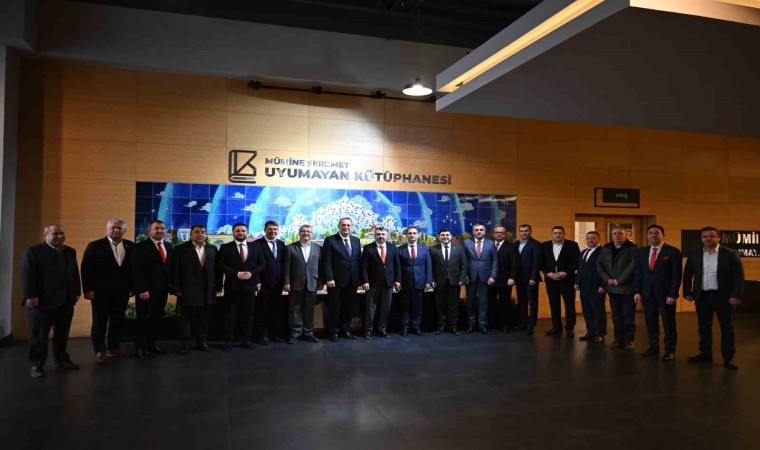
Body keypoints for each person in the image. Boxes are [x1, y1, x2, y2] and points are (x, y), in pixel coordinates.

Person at [20, 224, 82, 378]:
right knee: (38, 336)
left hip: (65, 301)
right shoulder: (33, 251)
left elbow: (74, 273)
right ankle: (37, 365)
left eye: (61, 233)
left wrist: (76, 292)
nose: (59, 236)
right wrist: (30, 295)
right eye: (55, 234)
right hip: (41, 302)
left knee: (62, 334)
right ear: (45, 235)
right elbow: (27, 275)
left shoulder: (70, 251)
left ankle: (62, 360)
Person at [683, 226, 745, 370]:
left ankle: (728, 358)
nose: (708, 239)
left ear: (718, 238)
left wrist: (736, 295)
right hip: (702, 296)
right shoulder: (695, 253)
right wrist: (687, 292)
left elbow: (739, 277)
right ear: (701, 239)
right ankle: (705, 354)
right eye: (705, 236)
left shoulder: (730, 254)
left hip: (724, 297)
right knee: (703, 327)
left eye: (711, 236)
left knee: (727, 328)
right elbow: (688, 274)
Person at [81, 218, 134, 363]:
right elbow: (86, 269)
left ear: (124, 230)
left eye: (120, 228)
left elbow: (133, 269)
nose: (116, 230)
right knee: (100, 321)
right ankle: (99, 350)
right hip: (100, 292)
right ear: (107, 229)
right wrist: (87, 289)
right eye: (113, 227)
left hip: (122, 291)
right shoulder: (95, 246)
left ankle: (114, 347)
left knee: (118, 320)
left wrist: (133, 288)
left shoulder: (131, 246)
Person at [634, 225, 682, 361]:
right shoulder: (641, 252)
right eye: (650, 233)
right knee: (650, 321)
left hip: (666, 294)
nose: (653, 235)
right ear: (647, 236)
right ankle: (653, 347)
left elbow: (676, 275)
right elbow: (638, 273)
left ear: (663, 235)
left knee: (668, 322)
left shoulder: (673, 252)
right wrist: (637, 291)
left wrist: (673, 294)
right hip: (647, 293)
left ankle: (670, 350)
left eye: (656, 233)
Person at [217, 223, 266, 351]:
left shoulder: (255, 247)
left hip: (250, 287)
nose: (240, 233)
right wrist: (236, 273)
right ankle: (228, 340)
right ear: (233, 232)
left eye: (243, 231)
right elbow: (220, 265)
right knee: (230, 315)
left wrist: (252, 274)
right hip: (232, 286)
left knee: (248, 314)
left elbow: (262, 264)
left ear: (247, 232)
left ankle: (246, 340)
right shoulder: (225, 247)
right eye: (238, 231)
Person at [131, 220, 173, 359]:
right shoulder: (140, 247)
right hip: (146, 292)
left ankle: (151, 345)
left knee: (155, 319)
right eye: (156, 228)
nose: (160, 231)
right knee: (143, 319)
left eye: (162, 228)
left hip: (162, 291)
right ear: (149, 231)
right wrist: (141, 289)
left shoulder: (168, 246)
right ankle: (140, 348)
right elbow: (136, 270)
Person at [173, 225, 219, 353]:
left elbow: (217, 270)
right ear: (191, 234)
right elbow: (175, 271)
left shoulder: (213, 249)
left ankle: (202, 342)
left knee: (203, 319)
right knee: (185, 319)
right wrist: (177, 288)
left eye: (203, 232)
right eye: (197, 232)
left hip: (207, 291)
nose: (200, 234)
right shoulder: (180, 249)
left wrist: (218, 286)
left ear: (206, 234)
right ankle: (185, 344)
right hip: (187, 291)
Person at [597, 225, 638, 351]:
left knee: (628, 315)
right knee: (616, 315)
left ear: (626, 235)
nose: (617, 236)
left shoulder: (633, 248)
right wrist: (607, 279)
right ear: (612, 235)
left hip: (627, 287)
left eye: (620, 233)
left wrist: (619, 280)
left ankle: (628, 339)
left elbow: (632, 267)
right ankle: (618, 338)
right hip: (611, 287)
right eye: (614, 233)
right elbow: (599, 265)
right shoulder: (606, 248)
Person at [321, 217, 362, 342]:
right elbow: (327, 261)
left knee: (348, 307)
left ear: (351, 227)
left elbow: (358, 261)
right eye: (343, 225)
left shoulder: (356, 240)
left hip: (352, 281)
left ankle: (346, 330)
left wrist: (360, 279)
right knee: (335, 307)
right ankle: (334, 331)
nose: (346, 227)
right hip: (335, 282)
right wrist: (329, 278)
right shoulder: (330, 240)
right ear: (338, 226)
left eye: (348, 225)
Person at [282, 224, 323, 344]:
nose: (306, 233)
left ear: (312, 234)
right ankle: (295, 333)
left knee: (310, 309)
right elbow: (286, 267)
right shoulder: (290, 248)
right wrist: (286, 282)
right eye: (303, 231)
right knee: (295, 309)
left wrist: (321, 281)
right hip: (295, 283)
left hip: (312, 283)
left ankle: (309, 332)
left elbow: (321, 266)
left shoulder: (318, 248)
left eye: (309, 231)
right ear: (299, 233)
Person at [361, 227, 400, 339]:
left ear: (386, 235)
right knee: (370, 308)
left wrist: (397, 280)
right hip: (372, 283)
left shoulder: (393, 247)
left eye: (383, 234)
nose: (381, 236)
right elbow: (363, 267)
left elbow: (397, 265)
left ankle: (382, 329)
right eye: (378, 234)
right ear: (374, 235)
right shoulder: (368, 248)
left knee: (386, 307)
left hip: (388, 282)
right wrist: (365, 281)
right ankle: (368, 330)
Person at [541, 226, 580, 338]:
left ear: (564, 234)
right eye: (555, 233)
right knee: (554, 304)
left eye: (560, 233)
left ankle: (569, 328)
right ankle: (556, 327)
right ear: (552, 234)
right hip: (551, 280)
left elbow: (576, 262)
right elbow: (541, 262)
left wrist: (566, 273)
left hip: (567, 280)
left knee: (569, 305)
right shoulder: (545, 245)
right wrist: (547, 273)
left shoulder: (572, 245)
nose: (557, 235)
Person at [252, 220, 287, 344]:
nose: (273, 231)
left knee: (276, 309)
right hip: (263, 283)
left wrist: (285, 281)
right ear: (265, 230)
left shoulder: (282, 244)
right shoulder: (256, 244)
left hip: (278, 283)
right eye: (270, 229)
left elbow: (284, 264)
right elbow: (253, 264)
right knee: (262, 309)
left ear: (278, 230)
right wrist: (257, 280)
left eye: (275, 229)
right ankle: (262, 335)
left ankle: (275, 334)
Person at [430, 229, 467, 335]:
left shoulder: (459, 248)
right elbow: (430, 266)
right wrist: (431, 280)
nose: (445, 237)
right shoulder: (433, 249)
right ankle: (441, 326)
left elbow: (464, 265)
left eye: (447, 235)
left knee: (453, 305)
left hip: (454, 282)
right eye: (443, 235)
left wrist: (462, 279)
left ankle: (453, 327)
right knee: (440, 305)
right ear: (439, 237)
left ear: (451, 236)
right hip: (438, 282)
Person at [397, 226, 433, 336]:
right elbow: (397, 267)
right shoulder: (400, 249)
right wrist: (397, 281)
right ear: (406, 235)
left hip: (420, 282)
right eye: (410, 233)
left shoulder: (424, 248)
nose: (412, 235)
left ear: (418, 235)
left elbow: (428, 266)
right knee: (405, 306)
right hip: (405, 283)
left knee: (417, 307)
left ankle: (416, 327)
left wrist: (428, 281)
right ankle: (405, 328)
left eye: (414, 233)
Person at [463, 224, 498, 334]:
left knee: (483, 302)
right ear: (473, 232)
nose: (479, 231)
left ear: (485, 231)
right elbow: (463, 261)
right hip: (470, 277)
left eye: (481, 230)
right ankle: (471, 324)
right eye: (476, 230)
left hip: (486, 277)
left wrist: (493, 276)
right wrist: (464, 275)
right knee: (470, 301)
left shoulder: (491, 243)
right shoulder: (466, 242)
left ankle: (482, 325)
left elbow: (495, 261)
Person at [574, 231, 606, 343]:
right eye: (588, 238)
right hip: (584, 287)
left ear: (599, 239)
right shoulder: (583, 252)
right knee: (587, 310)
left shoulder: (603, 252)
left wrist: (603, 285)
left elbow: (607, 270)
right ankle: (591, 332)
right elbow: (580, 269)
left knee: (598, 311)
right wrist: (577, 282)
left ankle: (601, 333)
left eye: (593, 238)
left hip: (597, 287)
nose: (590, 240)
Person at [514, 224, 542, 334]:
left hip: (531, 279)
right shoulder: (516, 244)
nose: (523, 233)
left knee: (533, 303)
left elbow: (537, 263)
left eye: (526, 231)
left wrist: (533, 277)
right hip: (519, 279)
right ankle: (523, 323)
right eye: (521, 231)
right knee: (522, 302)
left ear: (530, 232)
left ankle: (531, 325)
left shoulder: (536, 244)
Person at [489, 226, 517, 333]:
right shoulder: (489, 245)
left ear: (505, 234)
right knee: (491, 302)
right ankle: (492, 323)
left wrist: (512, 277)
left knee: (504, 303)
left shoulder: (511, 246)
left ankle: (504, 324)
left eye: (501, 232)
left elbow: (514, 264)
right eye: (497, 232)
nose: (499, 234)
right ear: (493, 234)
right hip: (490, 279)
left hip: (505, 280)